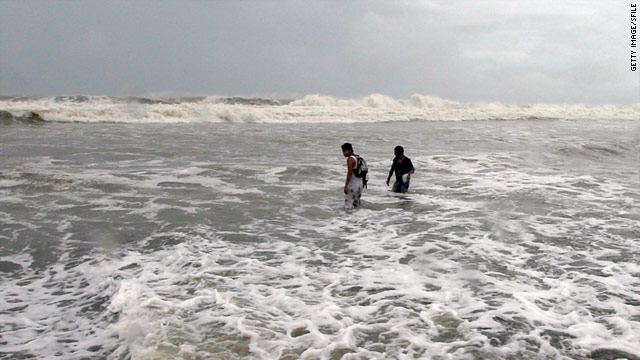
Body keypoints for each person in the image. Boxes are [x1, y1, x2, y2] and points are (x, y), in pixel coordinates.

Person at [341, 143, 364, 209]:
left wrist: (346, 186)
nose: (344, 153)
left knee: (348, 206)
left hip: (352, 186)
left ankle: (348, 218)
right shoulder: (358, 158)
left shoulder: (350, 159)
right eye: (343, 151)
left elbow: (349, 173)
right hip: (359, 185)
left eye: (345, 151)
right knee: (356, 205)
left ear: (350, 150)